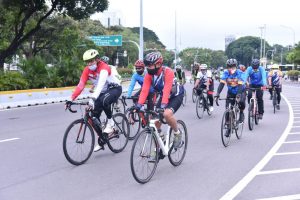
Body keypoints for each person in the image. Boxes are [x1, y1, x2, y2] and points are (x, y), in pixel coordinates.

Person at [67, 49, 122, 152]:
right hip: (101, 91)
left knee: (104, 100)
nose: (89, 64)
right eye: (87, 62)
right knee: (92, 116)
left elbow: (100, 85)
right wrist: (70, 99)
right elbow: (80, 86)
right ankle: (102, 139)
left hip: (114, 88)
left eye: (91, 61)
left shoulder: (104, 67)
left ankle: (111, 124)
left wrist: (92, 99)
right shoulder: (87, 70)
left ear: (97, 59)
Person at [135, 51, 184, 148]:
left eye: (150, 65)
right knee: (153, 121)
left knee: (166, 114)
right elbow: (144, 90)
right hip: (163, 96)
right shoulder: (149, 75)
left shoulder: (167, 72)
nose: (148, 68)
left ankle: (177, 133)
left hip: (176, 95)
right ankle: (159, 144)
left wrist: (163, 105)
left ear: (158, 64)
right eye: (147, 66)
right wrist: (139, 105)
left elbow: (167, 89)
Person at [215, 59, 246, 136]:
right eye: (229, 67)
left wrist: (238, 95)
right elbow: (222, 84)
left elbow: (240, 85)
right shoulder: (226, 73)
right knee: (228, 109)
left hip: (240, 90)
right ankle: (228, 126)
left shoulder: (240, 73)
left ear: (235, 66)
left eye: (232, 66)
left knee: (241, 102)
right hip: (231, 92)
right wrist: (218, 93)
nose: (231, 68)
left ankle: (241, 113)